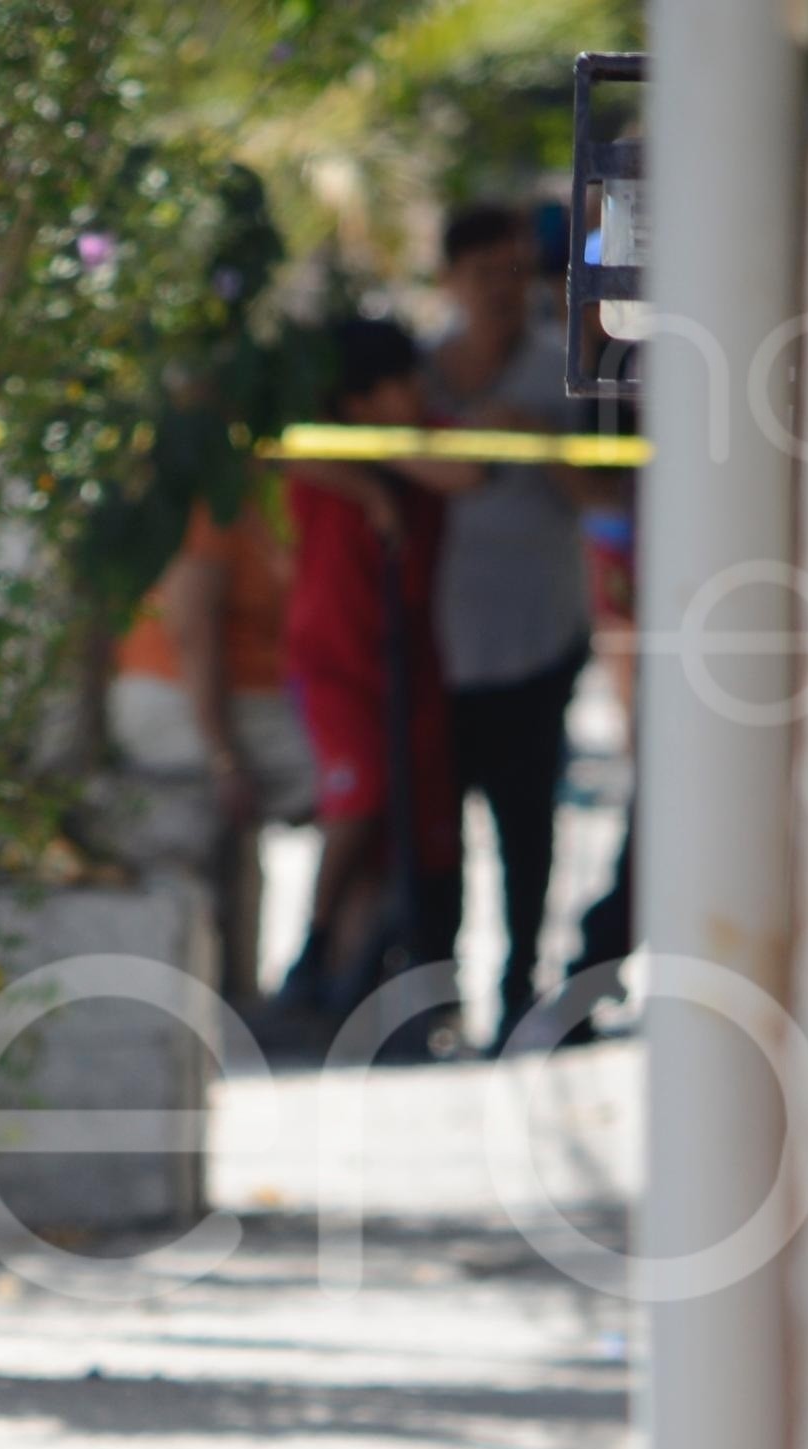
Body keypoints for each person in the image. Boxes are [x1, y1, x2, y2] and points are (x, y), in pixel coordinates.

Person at [422, 202, 608, 1053]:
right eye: (483, 274)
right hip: (433, 647)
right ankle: (434, 996)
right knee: (436, 830)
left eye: (514, 273)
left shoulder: (561, 374)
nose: (501, 291)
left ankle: (519, 988)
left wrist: (543, 443)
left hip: (538, 640)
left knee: (527, 828)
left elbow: (606, 501)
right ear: (449, 281)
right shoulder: (418, 377)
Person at [273, 317, 469, 1051]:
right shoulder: (316, 447)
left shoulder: (429, 439)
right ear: (356, 400)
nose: (415, 394)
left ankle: (358, 990)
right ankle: (313, 949)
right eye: (398, 384)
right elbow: (277, 452)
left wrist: (382, 470)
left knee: (405, 829)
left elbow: (470, 470)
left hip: (411, 663)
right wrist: (368, 486)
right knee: (359, 799)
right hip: (334, 662)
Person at [104, 480, 310, 1004]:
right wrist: (223, 758)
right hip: (181, 707)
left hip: (229, 709)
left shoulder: (260, 500)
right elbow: (191, 632)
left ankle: (250, 989)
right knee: (347, 781)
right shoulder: (210, 502)